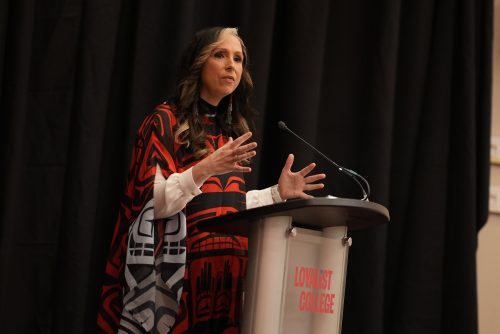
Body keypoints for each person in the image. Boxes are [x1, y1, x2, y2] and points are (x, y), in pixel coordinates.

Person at [97, 26, 326, 334]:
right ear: (198, 63)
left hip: (226, 279)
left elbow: (223, 207)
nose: (232, 65)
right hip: (176, 283)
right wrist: (204, 168)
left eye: (238, 58)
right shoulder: (164, 120)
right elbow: (152, 206)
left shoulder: (230, 131)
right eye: (221, 55)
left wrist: (276, 193)